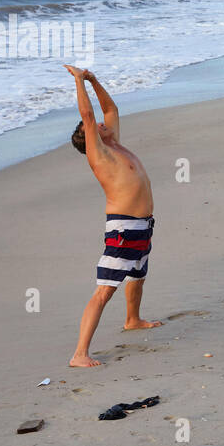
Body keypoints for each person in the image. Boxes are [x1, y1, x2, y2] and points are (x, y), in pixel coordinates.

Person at [64, 66, 162, 367]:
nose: (105, 125)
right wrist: (79, 81)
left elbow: (109, 108)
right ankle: (79, 354)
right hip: (123, 228)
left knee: (138, 274)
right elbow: (90, 115)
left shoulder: (115, 144)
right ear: (91, 137)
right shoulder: (100, 155)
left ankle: (133, 319)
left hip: (143, 226)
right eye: (94, 128)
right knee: (105, 289)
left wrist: (94, 79)